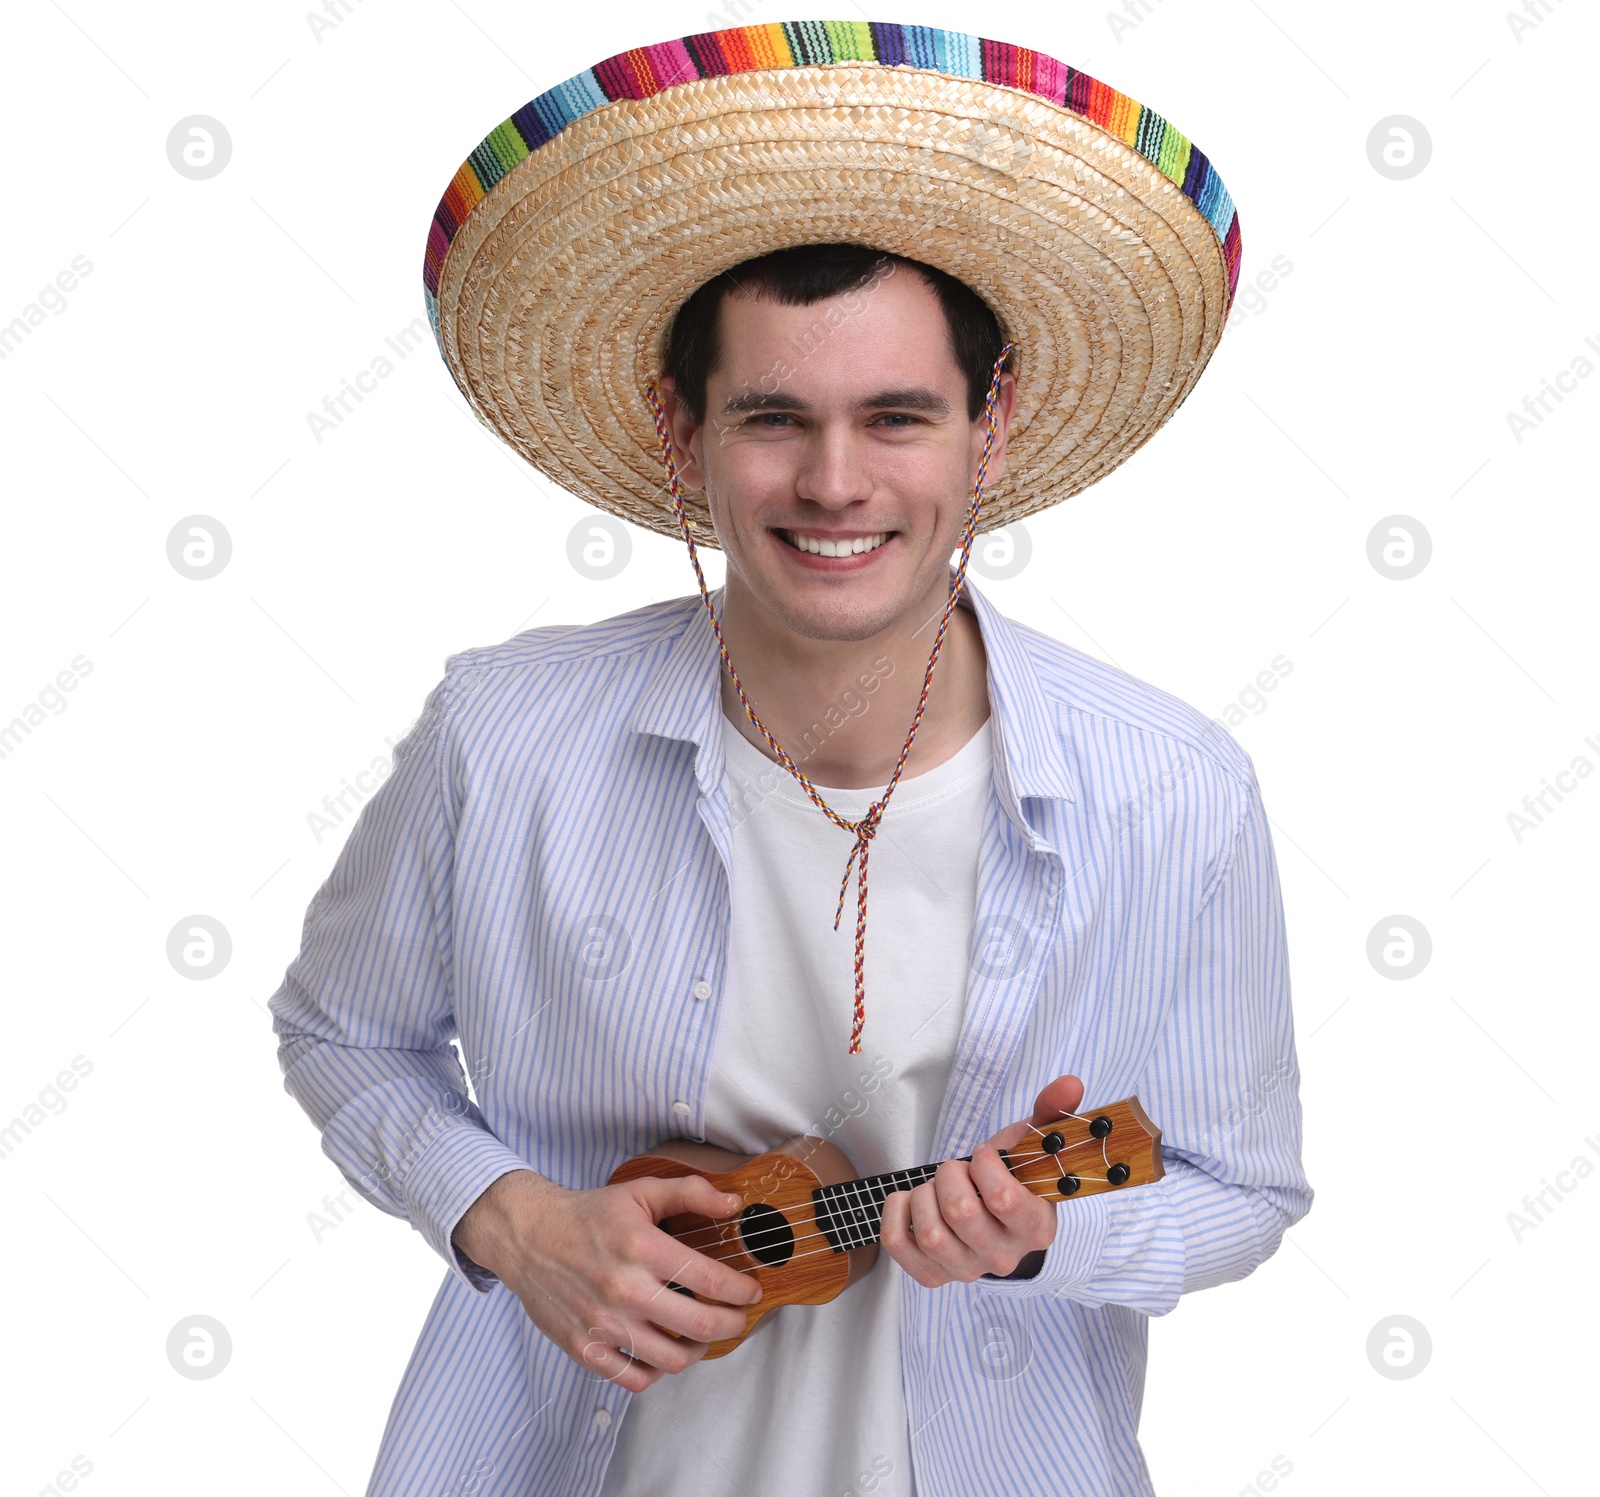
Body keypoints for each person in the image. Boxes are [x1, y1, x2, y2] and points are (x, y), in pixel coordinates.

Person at [268, 21, 1311, 1497]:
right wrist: (510, 1216)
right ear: (679, 423)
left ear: (989, 425)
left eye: (898, 416)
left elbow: (1244, 1186)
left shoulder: (1175, 790)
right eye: (774, 418)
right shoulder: (502, 736)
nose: (836, 483)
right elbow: (343, 1034)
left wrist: (1050, 1235)